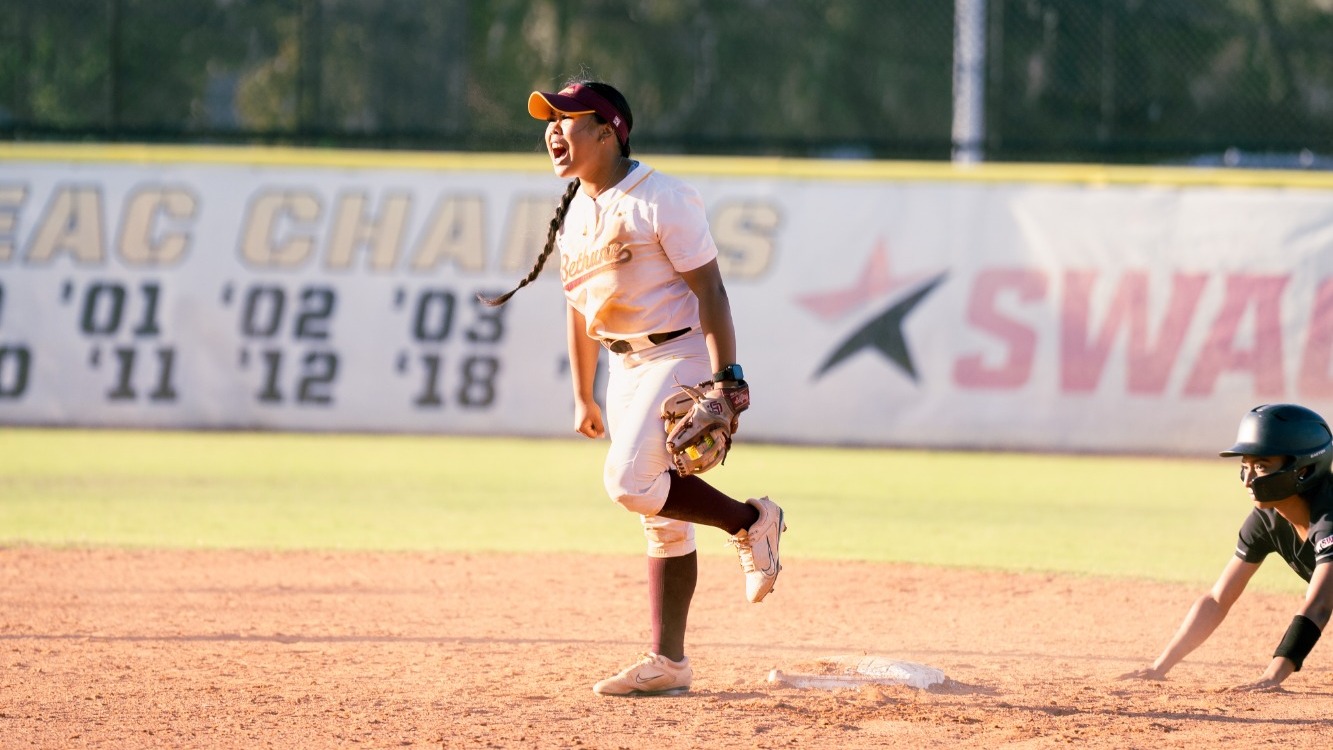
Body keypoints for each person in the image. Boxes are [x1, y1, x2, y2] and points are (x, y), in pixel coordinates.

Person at [481, 79, 786, 696]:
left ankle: (750, 520)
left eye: (566, 119)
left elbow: (712, 292)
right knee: (663, 519)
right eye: (549, 120)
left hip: (674, 351)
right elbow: (578, 310)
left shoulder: (662, 197)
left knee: (629, 483)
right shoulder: (575, 213)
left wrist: (727, 378)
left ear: (607, 130)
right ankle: (669, 662)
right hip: (622, 370)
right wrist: (584, 394)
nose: (552, 131)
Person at [1119, 403, 1333, 691]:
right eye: (1245, 465)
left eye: (1262, 466)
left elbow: (1320, 604)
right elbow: (1218, 599)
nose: (1248, 478)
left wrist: (1273, 675)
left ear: (1304, 470)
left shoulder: (1328, 517)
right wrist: (1161, 665)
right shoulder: (1267, 518)